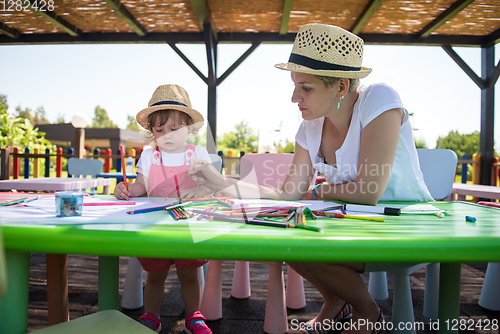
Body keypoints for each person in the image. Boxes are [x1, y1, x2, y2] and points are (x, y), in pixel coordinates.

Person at [187, 24, 433, 334]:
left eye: (306, 87)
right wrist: (221, 182)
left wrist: (317, 193)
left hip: (408, 225)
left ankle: (367, 312)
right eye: (294, 85)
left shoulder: (379, 100)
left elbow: (368, 192)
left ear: (341, 86)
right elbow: (288, 194)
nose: (294, 97)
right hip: (354, 224)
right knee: (284, 232)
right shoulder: (309, 127)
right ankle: (336, 302)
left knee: (298, 228)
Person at [114, 84, 213, 334]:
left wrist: (200, 192)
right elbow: (140, 187)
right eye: (160, 129)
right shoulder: (149, 157)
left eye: (174, 128)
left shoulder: (198, 153)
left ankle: (194, 316)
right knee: (155, 275)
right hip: (155, 226)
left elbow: (212, 187)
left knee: (189, 274)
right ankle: (151, 316)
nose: (167, 135)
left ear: (189, 128)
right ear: (151, 131)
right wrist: (124, 189)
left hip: (187, 225)